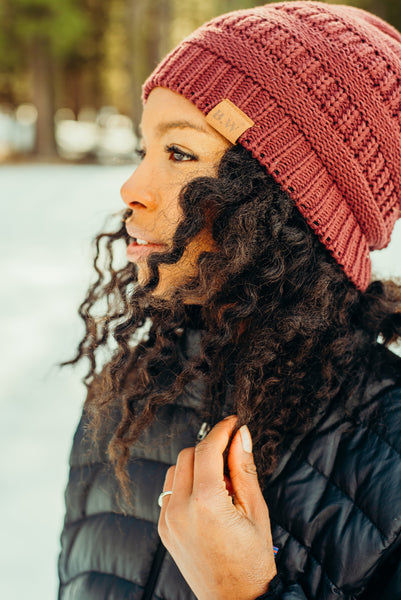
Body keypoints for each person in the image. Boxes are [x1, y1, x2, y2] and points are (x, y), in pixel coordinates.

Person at [58, 2, 401, 599]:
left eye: (181, 153)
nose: (132, 188)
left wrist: (243, 592)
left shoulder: (392, 449)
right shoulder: (128, 392)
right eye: (146, 149)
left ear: (287, 201)